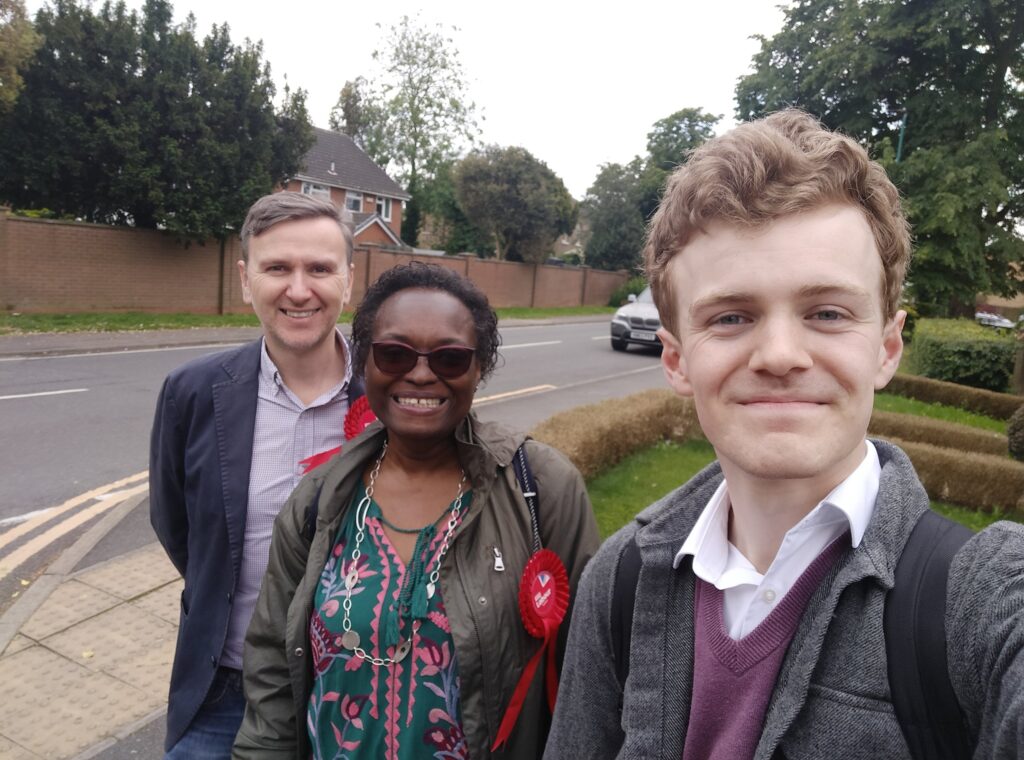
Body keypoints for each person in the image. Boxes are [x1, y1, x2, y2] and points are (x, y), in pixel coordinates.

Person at [545, 110, 1024, 759]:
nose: (778, 353)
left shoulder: (983, 601)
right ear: (678, 360)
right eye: (732, 316)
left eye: (827, 313)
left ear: (886, 347)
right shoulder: (618, 582)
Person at [231, 262, 599, 759]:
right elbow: (274, 672)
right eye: (394, 353)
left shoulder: (540, 488)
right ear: (365, 363)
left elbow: (591, 675)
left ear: (479, 367)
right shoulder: (320, 499)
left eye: (449, 357)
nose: (421, 373)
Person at [150, 191, 364, 758]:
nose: (299, 289)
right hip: (226, 688)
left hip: (359, 688)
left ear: (349, 277)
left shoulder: (393, 391)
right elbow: (176, 524)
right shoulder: (191, 392)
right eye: (277, 268)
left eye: (319, 268)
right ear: (246, 280)